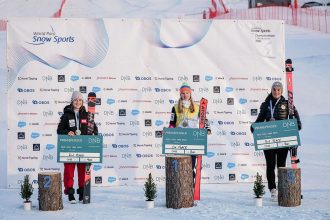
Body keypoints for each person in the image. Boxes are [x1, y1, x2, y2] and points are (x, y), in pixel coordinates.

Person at [251, 81, 302, 201]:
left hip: (283, 140)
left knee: (281, 165)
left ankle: (281, 188)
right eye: (274, 89)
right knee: (270, 165)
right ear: (271, 90)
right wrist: (254, 127)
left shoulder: (287, 103)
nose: (276, 92)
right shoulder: (266, 104)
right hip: (269, 139)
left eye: (279, 90)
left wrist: (297, 125)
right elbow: (259, 120)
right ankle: (272, 189)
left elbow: (295, 116)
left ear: (282, 91)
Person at [57, 91, 98, 203]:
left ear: (82, 102)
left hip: (83, 147)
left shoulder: (87, 115)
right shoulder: (66, 115)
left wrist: (94, 135)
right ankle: (70, 193)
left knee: (81, 171)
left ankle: (81, 193)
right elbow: (59, 130)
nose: (78, 102)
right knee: (69, 171)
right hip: (70, 147)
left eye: (80, 100)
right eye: (75, 100)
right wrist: (67, 132)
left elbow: (94, 129)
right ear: (72, 101)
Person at [169, 83, 211, 183]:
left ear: (190, 94)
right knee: (180, 165)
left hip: (192, 139)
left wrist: (208, 128)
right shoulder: (175, 107)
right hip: (179, 138)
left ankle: (189, 186)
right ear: (180, 94)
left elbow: (204, 119)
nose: (185, 95)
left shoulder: (197, 107)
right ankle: (181, 184)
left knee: (190, 165)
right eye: (183, 93)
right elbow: (172, 123)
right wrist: (169, 132)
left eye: (187, 93)